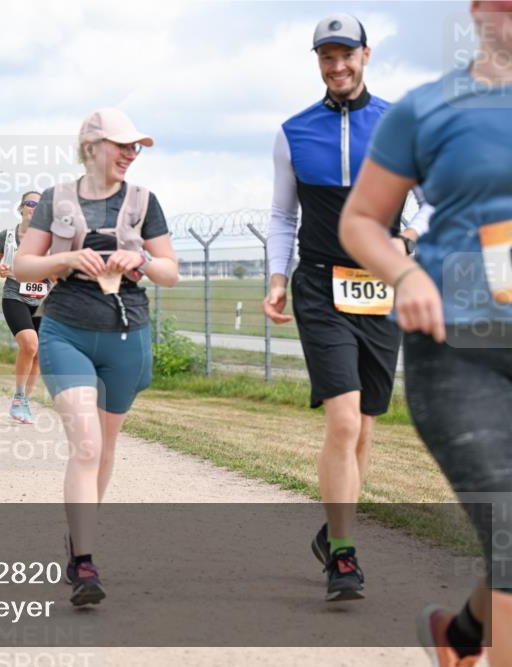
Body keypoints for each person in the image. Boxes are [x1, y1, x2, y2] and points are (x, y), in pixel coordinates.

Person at [340, 2, 511, 664]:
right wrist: (406, 276)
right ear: (479, 10)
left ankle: (460, 634)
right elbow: (361, 221)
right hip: (462, 348)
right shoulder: (429, 108)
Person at [261, 13, 426, 602]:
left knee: (365, 430)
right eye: (326, 57)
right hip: (320, 286)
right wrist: (278, 278)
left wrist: (408, 236)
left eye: (345, 55)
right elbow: (283, 216)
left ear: (366, 54)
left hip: (381, 287)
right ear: (318, 63)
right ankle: (344, 556)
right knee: (344, 419)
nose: (337, 66)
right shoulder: (293, 131)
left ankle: (335, 529)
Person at [14, 108, 178, 606]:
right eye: (122, 145)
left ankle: (79, 538)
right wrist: (63, 259)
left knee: (104, 448)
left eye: (137, 147)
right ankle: (85, 564)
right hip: (67, 331)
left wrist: (144, 260)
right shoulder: (56, 200)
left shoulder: (144, 202)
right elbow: (24, 265)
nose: (132, 153)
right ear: (91, 147)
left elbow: (170, 270)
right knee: (85, 444)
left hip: (126, 334)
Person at [0, 190, 49, 424]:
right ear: (21, 208)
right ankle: (19, 398)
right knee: (29, 344)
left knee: (37, 355)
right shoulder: (8, 236)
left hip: (43, 299)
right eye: (30, 203)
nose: (35, 207)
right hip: (15, 295)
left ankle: (22, 401)